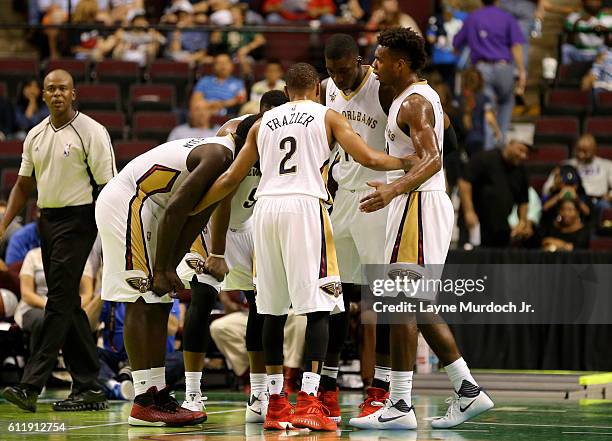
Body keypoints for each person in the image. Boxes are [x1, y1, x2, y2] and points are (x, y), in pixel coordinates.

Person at [191, 62, 410, 431]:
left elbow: (229, 178)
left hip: (265, 211)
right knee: (321, 304)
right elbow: (367, 158)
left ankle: (275, 405)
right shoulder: (326, 115)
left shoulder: (262, 123)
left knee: (272, 310)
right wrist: (408, 162)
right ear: (314, 88)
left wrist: (192, 211)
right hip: (305, 207)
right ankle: (310, 400)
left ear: (288, 89)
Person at [350, 28, 494, 430]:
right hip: (413, 201)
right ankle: (466, 392)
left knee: (400, 305)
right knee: (413, 303)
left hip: (418, 203)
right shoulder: (415, 98)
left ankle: (399, 404)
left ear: (400, 63)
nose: (373, 66)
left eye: (379, 59)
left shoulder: (414, 101)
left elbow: (431, 159)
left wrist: (393, 189)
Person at [95, 117, 257, 425]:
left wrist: (168, 268)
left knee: (160, 298)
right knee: (141, 296)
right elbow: (176, 209)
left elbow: (195, 217)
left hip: (154, 207)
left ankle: (157, 395)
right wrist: (161, 267)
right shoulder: (221, 155)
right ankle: (142, 401)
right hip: (130, 201)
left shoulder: (230, 165)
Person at [0, 69, 115, 413]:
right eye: (50, 89)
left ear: (73, 93)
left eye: (63, 88)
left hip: (80, 219)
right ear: (44, 95)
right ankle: (89, 385)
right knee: (66, 302)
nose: (57, 93)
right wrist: (4, 224)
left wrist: (109, 232)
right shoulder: (34, 135)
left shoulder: (92, 131)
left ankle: (30, 385)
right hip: (46, 221)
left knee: (57, 301)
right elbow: (23, 185)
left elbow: (109, 187)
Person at [185, 90, 289, 421]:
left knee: (260, 303)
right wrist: (215, 252)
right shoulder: (231, 138)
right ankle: (192, 393)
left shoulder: (287, 136)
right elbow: (221, 198)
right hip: (215, 220)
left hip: (251, 222)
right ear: (259, 116)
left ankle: (259, 395)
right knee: (202, 299)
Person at [453, 0, 526, 149]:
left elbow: (456, 45)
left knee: (486, 108)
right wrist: (522, 71)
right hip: (504, 67)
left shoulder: (473, 17)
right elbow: (516, 46)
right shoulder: (507, 17)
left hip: (482, 69)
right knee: (506, 103)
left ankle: (488, 150)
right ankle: (500, 145)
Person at [15, 247, 93, 359]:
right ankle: (38, 368)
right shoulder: (33, 255)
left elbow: (87, 293)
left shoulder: (81, 256)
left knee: (77, 321)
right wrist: (52, 306)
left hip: (68, 307)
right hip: (35, 307)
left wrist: (68, 307)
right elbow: (26, 294)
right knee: (45, 320)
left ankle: (79, 371)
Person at [459, 139, 534, 248]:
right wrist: (469, 211)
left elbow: (523, 200)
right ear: (510, 144)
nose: (523, 155)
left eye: (527, 153)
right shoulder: (485, 158)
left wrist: (522, 221)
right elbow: (464, 182)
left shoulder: (521, 170)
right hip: (476, 224)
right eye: (521, 150)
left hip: (500, 228)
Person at [543, 134, 612, 211]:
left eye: (585, 151)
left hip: (597, 201)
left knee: (605, 207)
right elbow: (546, 190)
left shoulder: (606, 165)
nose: (581, 154)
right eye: (578, 150)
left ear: (594, 149)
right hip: (573, 200)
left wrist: (609, 196)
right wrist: (557, 187)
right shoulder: (566, 165)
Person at [562, 0, 612, 65]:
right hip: (579, 52)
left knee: (607, 51)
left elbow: (610, 44)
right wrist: (577, 24)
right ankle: (564, 73)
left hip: (599, 52)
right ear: (583, 2)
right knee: (565, 49)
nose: (593, 3)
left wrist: (606, 31)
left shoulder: (609, 19)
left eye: (597, 1)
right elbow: (569, 41)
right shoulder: (573, 17)